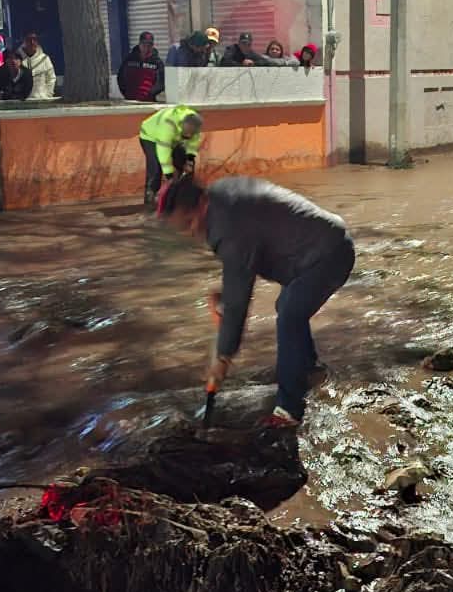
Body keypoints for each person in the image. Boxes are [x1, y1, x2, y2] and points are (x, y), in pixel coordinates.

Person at [159, 174, 355, 430]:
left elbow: (239, 297)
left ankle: (288, 411)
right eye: (183, 228)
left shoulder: (229, 225)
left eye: (189, 223)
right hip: (317, 248)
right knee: (287, 308)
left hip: (328, 255)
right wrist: (227, 295)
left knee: (290, 316)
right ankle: (308, 369)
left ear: (201, 204)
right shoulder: (222, 198)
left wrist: (223, 356)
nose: (191, 232)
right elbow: (240, 269)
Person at [138, 103, 203, 204]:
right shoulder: (168, 124)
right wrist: (169, 175)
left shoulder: (195, 123)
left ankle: (184, 194)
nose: (189, 135)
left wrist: (189, 160)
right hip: (150, 137)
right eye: (187, 132)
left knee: (184, 162)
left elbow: (193, 143)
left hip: (174, 139)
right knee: (156, 167)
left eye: (191, 133)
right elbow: (163, 152)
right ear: (182, 125)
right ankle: (150, 197)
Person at [117, 32, 166, 101]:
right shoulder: (129, 59)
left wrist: (151, 93)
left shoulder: (157, 62)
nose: (146, 48)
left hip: (149, 102)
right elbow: (120, 78)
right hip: (130, 101)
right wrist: (126, 93)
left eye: (149, 45)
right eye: (144, 45)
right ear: (139, 44)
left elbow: (161, 82)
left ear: (152, 46)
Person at [22, 33, 57, 99]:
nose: (32, 42)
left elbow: (51, 78)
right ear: (24, 42)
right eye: (29, 40)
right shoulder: (18, 59)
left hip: (41, 98)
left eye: (34, 40)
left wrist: (47, 94)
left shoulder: (45, 59)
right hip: (23, 100)